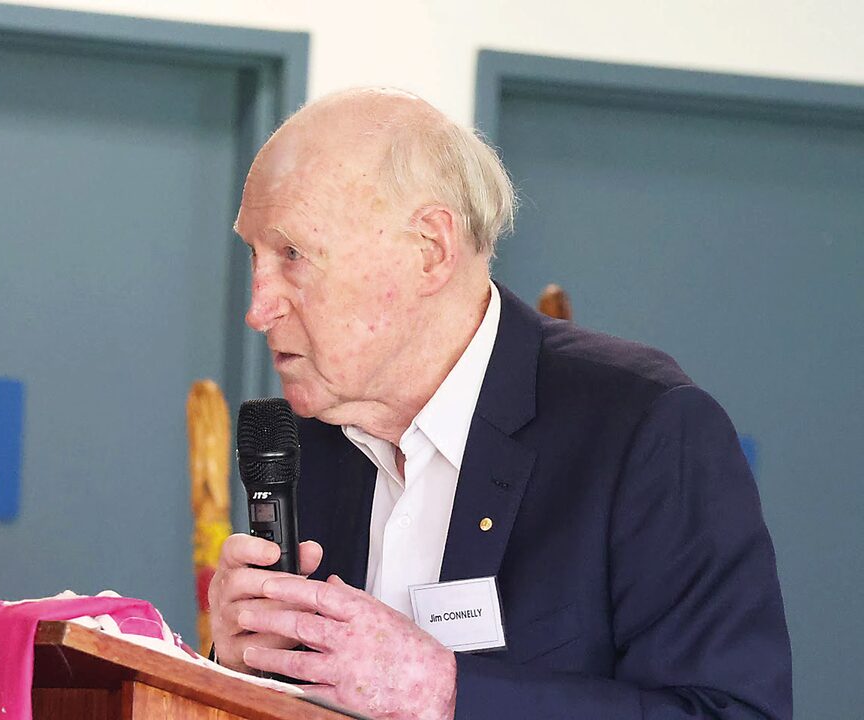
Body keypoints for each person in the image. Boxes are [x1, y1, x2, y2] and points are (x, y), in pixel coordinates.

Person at [208, 88, 792, 719]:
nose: (257, 308)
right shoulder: (308, 441)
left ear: (431, 249)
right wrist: (240, 671)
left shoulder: (646, 428)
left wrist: (449, 693)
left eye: (293, 255)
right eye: (254, 255)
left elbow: (733, 712)